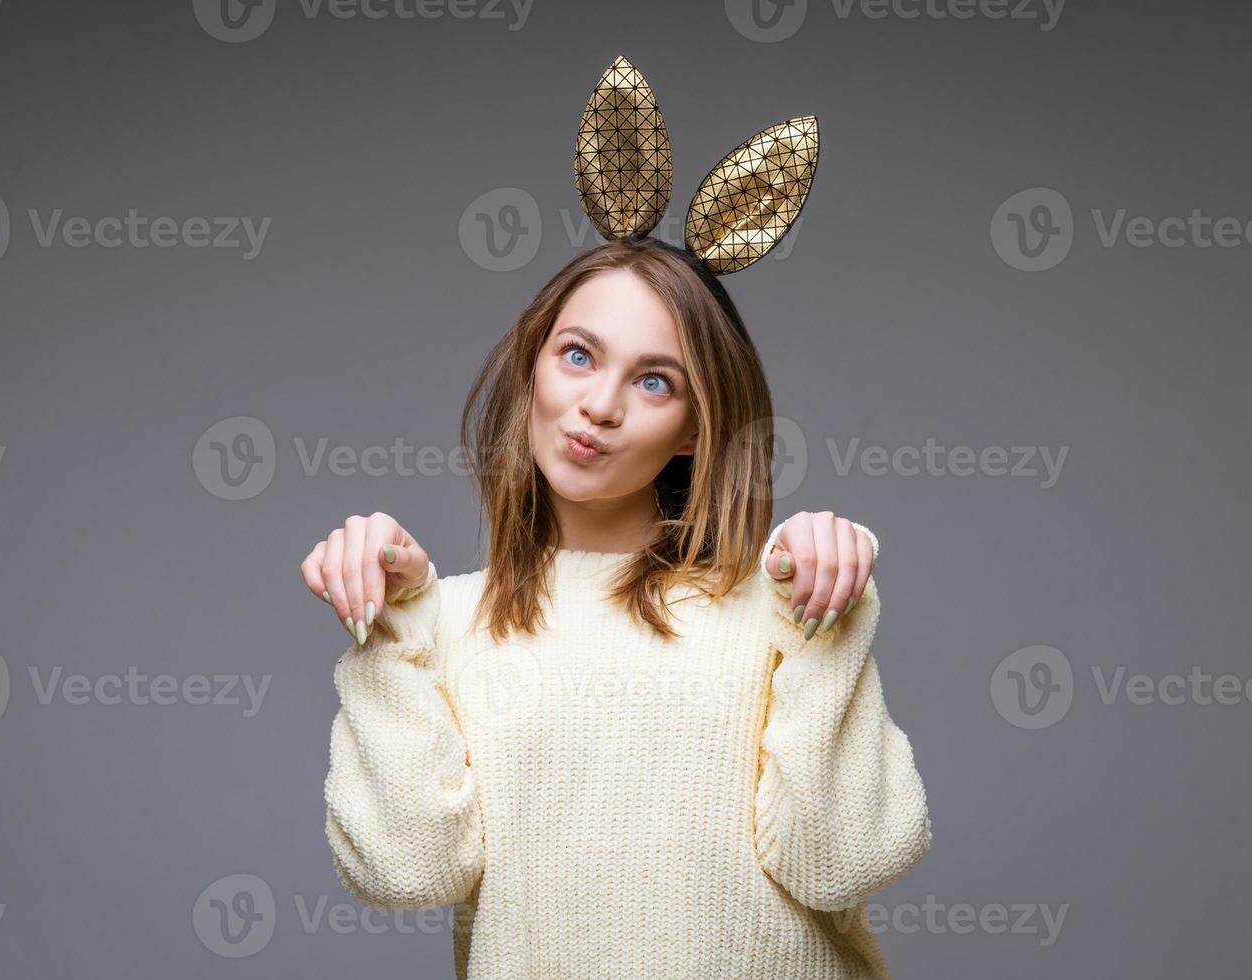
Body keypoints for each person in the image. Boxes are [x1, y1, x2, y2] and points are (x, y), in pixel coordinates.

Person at [301, 56, 932, 980]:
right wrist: (387, 630)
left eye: (653, 381)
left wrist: (823, 619)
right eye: (577, 355)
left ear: (692, 430)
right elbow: (408, 873)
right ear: (533, 367)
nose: (599, 405)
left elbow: (846, 861)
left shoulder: (777, 604)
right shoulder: (443, 623)